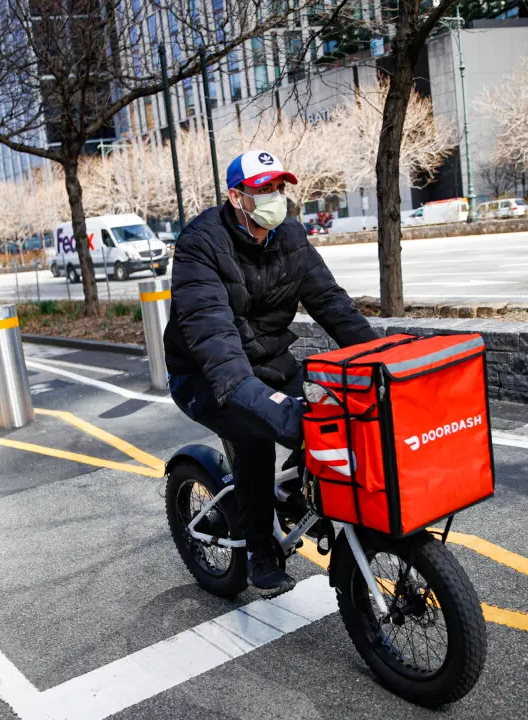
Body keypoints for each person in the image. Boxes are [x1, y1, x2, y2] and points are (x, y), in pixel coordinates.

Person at [164, 150, 378, 596]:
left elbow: (333, 306)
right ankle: (261, 548)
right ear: (235, 196)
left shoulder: (291, 237)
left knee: (335, 409)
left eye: (278, 188)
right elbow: (216, 342)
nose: (275, 198)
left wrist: (379, 359)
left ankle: (296, 494)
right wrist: (271, 409)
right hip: (204, 374)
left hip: (271, 363)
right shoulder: (200, 244)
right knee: (257, 435)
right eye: (262, 190)